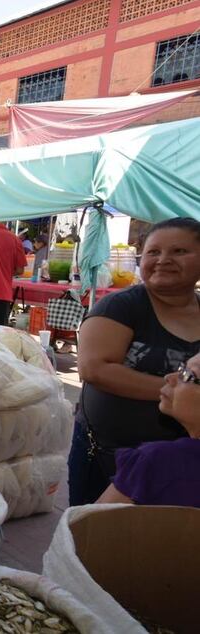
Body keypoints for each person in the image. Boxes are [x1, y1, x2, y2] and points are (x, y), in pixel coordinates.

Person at [70, 217, 200, 505]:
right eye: (154, 252)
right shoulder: (122, 305)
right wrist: (180, 393)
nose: (163, 260)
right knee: (91, 538)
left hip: (182, 467)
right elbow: (94, 368)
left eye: (179, 251)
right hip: (106, 455)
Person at [96, 353, 199, 507]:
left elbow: (88, 524)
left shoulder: (157, 461)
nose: (169, 377)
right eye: (181, 367)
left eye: (187, 374)